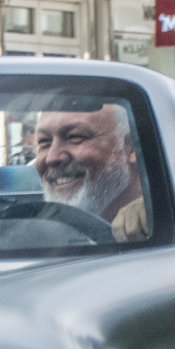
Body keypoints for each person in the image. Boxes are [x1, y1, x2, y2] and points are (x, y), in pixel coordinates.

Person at [31, 99, 149, 242]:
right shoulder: (27, 234)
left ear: (132, 147)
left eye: (75, 137)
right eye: (44, 142)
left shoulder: (172, 222)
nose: (52, 158)